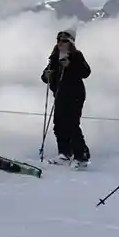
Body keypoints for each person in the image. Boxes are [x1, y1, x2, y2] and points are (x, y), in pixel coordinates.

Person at [41, 29, 92, 167]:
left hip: (75, 94)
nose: (61, 43)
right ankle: (65, 153)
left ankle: (81, 156)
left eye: (64, 41)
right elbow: (44, 77)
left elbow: (86, 72)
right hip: (59, 94)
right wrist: (47, 75)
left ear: (70, 43)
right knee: (59, 124)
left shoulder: (76, 56)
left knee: (72, 124)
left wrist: (70, 66)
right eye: (59, 40)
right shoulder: (54, 57)